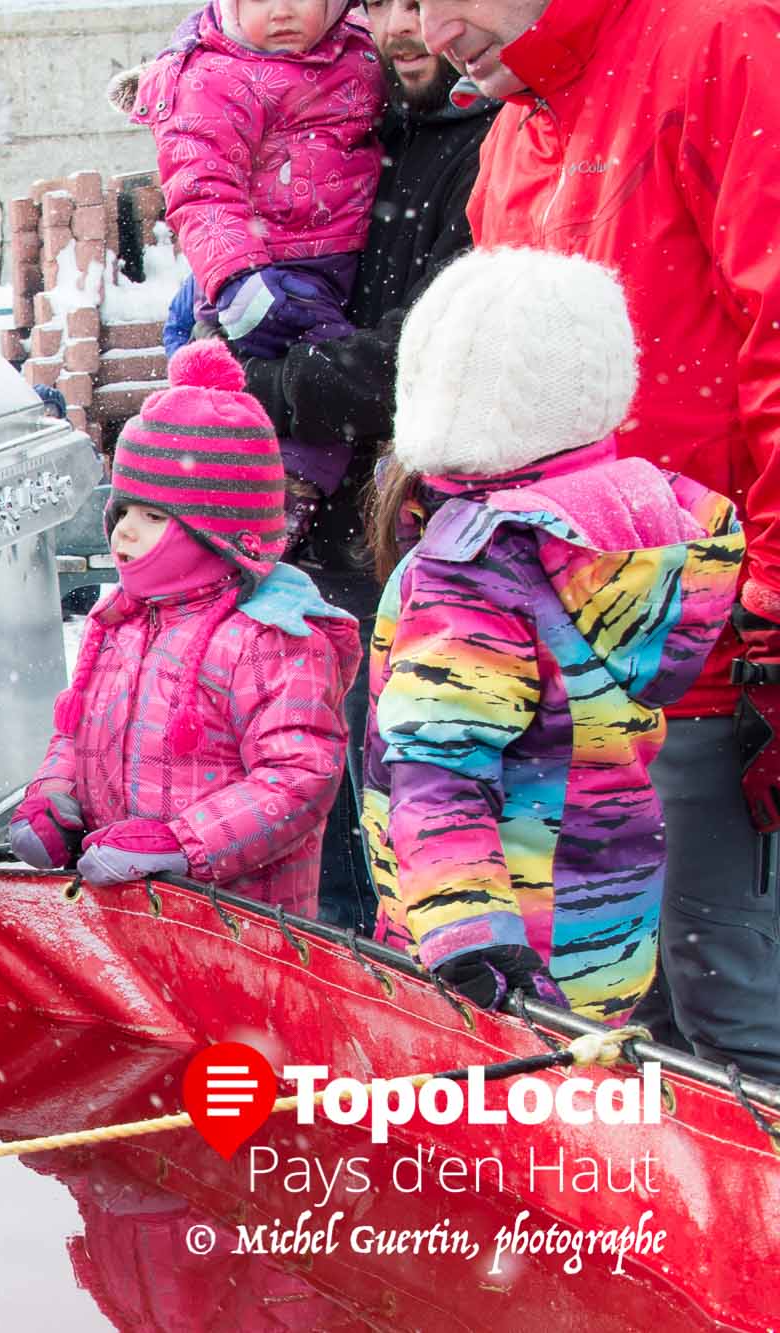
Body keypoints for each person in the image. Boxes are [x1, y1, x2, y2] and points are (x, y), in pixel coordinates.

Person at [422, 0, 780, 1075]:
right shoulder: (507, 137)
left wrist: (770, 605)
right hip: (576, 688)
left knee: (738, 1031)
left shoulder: (719, 41)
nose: (432, 29)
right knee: (619, 1035)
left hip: (719, 655)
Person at [361, 250, 742, 1022]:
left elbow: (440, 765)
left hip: (490, 962)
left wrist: (468, 935)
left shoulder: (474, 566)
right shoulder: (638, 534)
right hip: (601, 936)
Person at [236, 0, 501, 929]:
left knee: (407, 845)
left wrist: (273, 381)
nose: (401, 28)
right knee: (321, 832)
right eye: (380, 4)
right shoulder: (349, 127)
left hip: (414, 544)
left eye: (420, 4)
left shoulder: (487, 144)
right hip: (315, 539)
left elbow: (423, 353)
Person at [8, 342, 359, 915]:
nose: (124, 533)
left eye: (153, 516)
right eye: (122, 511)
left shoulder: (270, 639)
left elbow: (298, 778)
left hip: (235, 922)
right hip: (129, 912)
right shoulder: (122, 620)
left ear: (219, 531)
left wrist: (182, 845)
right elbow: (76, 733)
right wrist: (54, 797)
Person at [116, 0, 383, 510]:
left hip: (336, 253)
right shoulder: (216, 77)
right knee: (319, 374)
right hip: (271, 268)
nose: (281, 11)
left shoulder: (360, 47)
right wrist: (238, 279)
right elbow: (202, 191)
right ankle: (278, 496)